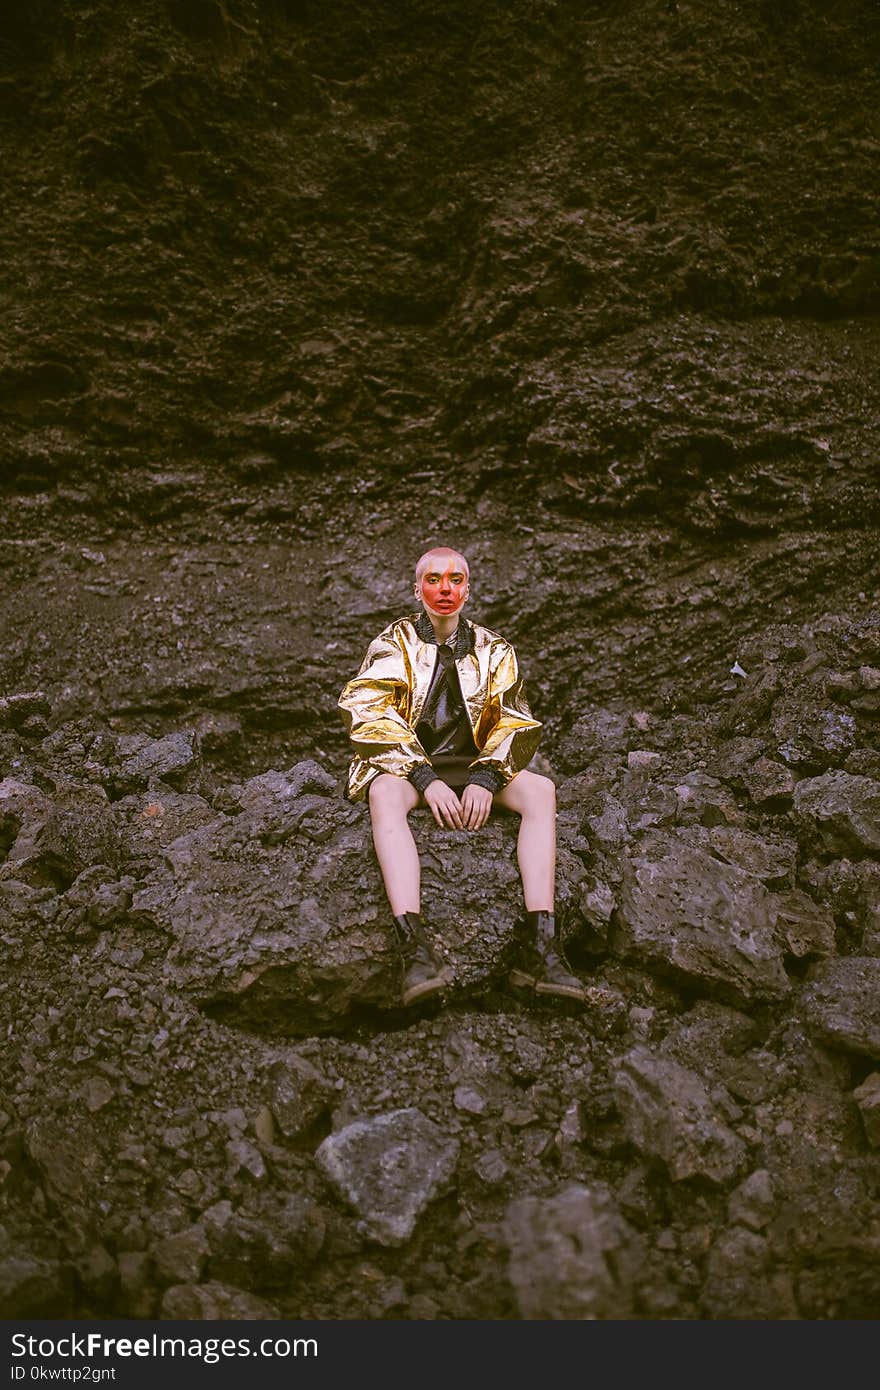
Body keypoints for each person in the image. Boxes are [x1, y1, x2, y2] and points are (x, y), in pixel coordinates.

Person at [338, 546, 591, 1007]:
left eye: (455, 579)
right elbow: (368, 711)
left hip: (474, 766)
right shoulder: (392, 643)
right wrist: (421, 777)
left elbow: (515, 719)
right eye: (434, 579)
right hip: (411, 764)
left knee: (541, 792)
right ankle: (413, 948)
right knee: (383, 796)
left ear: (468, 589)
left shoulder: (496, 649)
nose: (445, 589)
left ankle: (542, 946)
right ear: (418, 589)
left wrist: (488, 778)